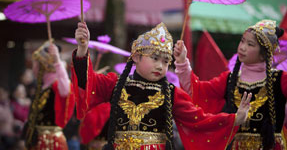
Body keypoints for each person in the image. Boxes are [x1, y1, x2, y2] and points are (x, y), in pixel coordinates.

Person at [71, 22, 252, 150]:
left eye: (166, 62)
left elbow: (199, 119)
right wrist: (82, 50)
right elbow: (87, 82)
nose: (160, 66)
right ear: (136, 57)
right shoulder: (115, 84)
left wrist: (233, 119)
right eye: (154, 58)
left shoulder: (172, 94)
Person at [174, 19, 287, 150]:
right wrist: (182, 62)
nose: (242, 47)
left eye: (250, 44)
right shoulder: (229, 79)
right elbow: (198, 92)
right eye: (242, 41)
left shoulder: (282, 80)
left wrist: (285, 116)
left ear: (264, 54)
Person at [23, 41, 75, 150]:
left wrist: (57, 61)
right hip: (37, 139)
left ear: (44, 66)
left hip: (51, 141)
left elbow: (66, 90)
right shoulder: (41, 87)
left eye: (36, 64)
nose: (34, 69)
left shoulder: (56, 84)